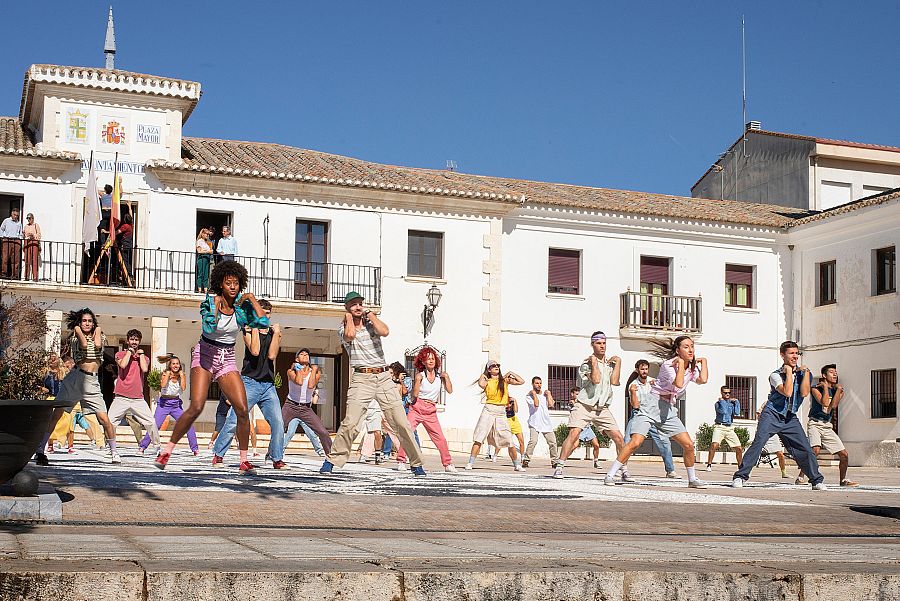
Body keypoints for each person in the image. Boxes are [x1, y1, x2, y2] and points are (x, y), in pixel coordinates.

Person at [155, 260, 268, 473]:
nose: (233, 287)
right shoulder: (209, 303)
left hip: (227, 358)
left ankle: (244, 460)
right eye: (228, 283)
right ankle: (166, 452)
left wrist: (251, 299)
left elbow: (263, 324)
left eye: (236, 283)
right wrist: (215, 309)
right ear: (220, 284)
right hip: (205, 354)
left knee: (242, 409)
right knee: (196, 406)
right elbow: (209, 326)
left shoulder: (241, 311)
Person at [320, 291, 425, 475]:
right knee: (351, 422)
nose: (358, 307)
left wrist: (370, 315)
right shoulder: (343, 328)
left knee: (401, 422)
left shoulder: (372, 325)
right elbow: (351, 335)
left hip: (383, 376)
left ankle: (416, 463)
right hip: (362, 378)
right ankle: (332, 460)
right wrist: (348, 317)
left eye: (360, 303)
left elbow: (385, 331)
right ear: (347, 308)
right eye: (353, 304)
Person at [605, 335, 708, 488]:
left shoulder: (690, 369)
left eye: (692, 346)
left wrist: (704, 362)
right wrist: (680, 363)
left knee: (688, 445)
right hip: (652, 404)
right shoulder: (668, 365)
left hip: (668, 409)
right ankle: (610, 475)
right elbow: (679, 384)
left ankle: (692, 479)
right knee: (636, 442)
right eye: (686, 347)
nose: (691, 349)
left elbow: (703, 380)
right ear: (678, 350)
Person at [731, 341, 826, 490]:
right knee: (759, 442)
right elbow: (787, 392)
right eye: (791, 353)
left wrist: (806, 373)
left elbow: (804, 393)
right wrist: (789, 372)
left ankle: (816, 480)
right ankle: (740, 477)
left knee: (805, 448)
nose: (795, 356)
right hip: (772, 413)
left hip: (790, 417)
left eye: (797, 353)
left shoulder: (803, 374)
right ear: (782, 355)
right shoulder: (775, 375)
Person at [34, 309, 118, 466]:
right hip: (75, 378)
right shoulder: (75, 337)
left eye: (90, 321)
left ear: (94, 323)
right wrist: (78, 329)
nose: (87, 323)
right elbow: (85, 345)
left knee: (104, 418)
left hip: (92, 382)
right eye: (84, 321)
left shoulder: (101, 335)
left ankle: (114, 452)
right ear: (79, 323)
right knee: (57, 414)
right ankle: (40, 450)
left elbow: (98, 345)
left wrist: (98, 330)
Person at [211, 298, 286, 469]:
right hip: (249, 382)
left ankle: (276, 458)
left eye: (267, 314)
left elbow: (272, 355)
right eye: (261, 313)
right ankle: (218, 454)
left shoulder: (275, 333)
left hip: (268, 385)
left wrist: (276, 334)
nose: (264, 316)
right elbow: (255, 350)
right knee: (234, 420)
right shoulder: (247, 330)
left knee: (278, 422)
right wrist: (255, 329)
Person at [554, 331, 627, 480]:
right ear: (592, 344)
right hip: (584, 405)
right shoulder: (586, 365)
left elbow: (614, 382)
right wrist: (594, 363)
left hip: (602, 408)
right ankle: (559, 466)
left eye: (604, 343)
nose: (602, 346)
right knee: (574, 434)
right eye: (598, 343)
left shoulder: (609, 365)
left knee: (619, 438)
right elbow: (596, 380)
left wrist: (618, 363)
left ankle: (623, 469)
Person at [396, 346, 456, 473]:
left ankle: (448, 464)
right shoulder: (420, 375)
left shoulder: (440, 376)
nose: (431, 361)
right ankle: (401, 460)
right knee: (407, 433)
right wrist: (417, 381)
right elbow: (415, 395)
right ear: (422, 361)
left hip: (431, 410)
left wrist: (447, 378)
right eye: (428, 359)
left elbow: (450, 391)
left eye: (433, 358)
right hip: (417, 407)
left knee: (440, 438)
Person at [106, 329, 160, 462]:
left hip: (138, 398)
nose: (134, 342)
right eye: (132, 339)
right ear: (128, 340)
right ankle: (111, 447)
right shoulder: (120, 354)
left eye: (136, 340)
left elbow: (145, 369)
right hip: (121, 396)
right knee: (110, 422)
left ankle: (157, 447)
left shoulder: (145, 357)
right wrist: (129, 352)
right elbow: (123, 365)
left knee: (150, 422)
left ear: (139, 341)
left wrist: (140, 355)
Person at [465, 360, 526, 471]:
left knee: (509, 439)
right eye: (493, 366)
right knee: (479, 436)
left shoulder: (505, 381)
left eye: (498, 365)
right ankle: (470, 462)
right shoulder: (487, 381)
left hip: (501, 411)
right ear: (489, 369)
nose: (496, 367)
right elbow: (481, 384)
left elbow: (521, 381)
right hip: (489, 409)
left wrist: (511, 372)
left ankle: (517, 464)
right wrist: (483, 374)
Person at [802, 365, 857, 487]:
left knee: (844, 455)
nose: (835, 375)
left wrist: (837, 390)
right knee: (815, 451)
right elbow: (825, 402)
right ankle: (802, 475)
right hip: (815, 423)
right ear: (824, 375)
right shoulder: (815, 388)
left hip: (827, 425)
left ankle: (843, 480)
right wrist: (826, 388)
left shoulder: (839, 391)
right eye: (831, 372)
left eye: (836, 373)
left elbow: (833, 405)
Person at [623, 360, 679, 479]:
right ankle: (622, 469)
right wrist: (633, 392)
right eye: (642, 369)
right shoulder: (633, 385)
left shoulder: (651, 383)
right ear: (637, 370)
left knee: (664, 442)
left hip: (653, 415)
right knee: (628, 441)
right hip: (638, 414)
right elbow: (635, 405)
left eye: (646, 369)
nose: (644, 371)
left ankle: (670, 470)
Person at [140, 356, 198, 455]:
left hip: (176, 404)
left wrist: (182, 376)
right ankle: (142, 447)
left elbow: (183, 388)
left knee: (188, 425)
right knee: (155, 425)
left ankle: (195, 449)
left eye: (177, 363)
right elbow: (162, 385)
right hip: (164, 404)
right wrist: (167, 375)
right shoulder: (165, 373)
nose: (176, 365)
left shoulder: (181, 375)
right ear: (170, 365)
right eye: (173, 363)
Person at [281, 348, 333, 458]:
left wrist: (313, 370)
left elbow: (310, 385)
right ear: (296, 359)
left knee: (322, 432)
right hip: (291, 405)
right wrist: (298, 369)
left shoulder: (315, 373)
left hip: (306, 408)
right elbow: (299, 382)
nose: (305, 356)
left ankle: (331, 457)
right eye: (302, 354)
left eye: (307, 355)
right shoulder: (291, 372)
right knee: (279, 428)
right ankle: (272, 454)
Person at [522, 376, 559, 469]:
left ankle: (554, 461)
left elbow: (551, 405)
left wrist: (549, 394)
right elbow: (536, 404)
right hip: (534, 422)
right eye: (537, 383)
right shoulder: (529, 396)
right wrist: (534, 394)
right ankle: (526, 460)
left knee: (552, 442)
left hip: (546, 422)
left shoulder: (545, 395)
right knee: (533, 441)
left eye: (540, 383)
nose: (539, 385)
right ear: (532, 384)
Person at [706, 385, 744, 470]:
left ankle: (740, 466)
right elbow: (723, 411)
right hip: (719, 426)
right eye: (725, 393)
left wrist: (737, 402)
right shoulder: (718, 404)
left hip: (729, 428)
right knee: (714, 445)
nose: (727, 394)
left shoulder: (732, 403)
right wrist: (723, 402)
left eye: (729, 393)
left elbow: (737, 412)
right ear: (721, 393)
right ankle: (709, 464)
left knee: (738, 448)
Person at [0, 207, 23, 279]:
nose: (15, 216)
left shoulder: (19, 223)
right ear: (11, 214)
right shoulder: (6, 221)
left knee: (15, 259)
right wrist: (2, 237)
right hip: (7, 240)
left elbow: (21, 233)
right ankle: (4, 273)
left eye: (17, 215)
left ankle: (14, 275)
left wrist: (19, 238)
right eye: (14, 215)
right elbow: (1, 228)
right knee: (5, 258)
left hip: (16, 241)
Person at [115, 213, 134, 285]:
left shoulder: (125, 226)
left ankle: (129, 275)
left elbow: (118, 232)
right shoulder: (131, 225)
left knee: (124, 261)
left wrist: (109, 232)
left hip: (125, 245)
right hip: (129, 245)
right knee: (127, 261)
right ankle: (127, 276)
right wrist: (129, 206)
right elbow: (131, 216)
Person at [23, 213, 41, 281]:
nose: (28, 220)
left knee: (34, 260)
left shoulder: (36, 225)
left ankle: (35, 277)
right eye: (27, 218)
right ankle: (26, 276)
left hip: (34, 242)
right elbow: (24, 235)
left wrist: (33, 235)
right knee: (27, 260)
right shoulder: (26, 226)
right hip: (27, 243)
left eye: (29, 218)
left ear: (33, 218)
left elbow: (39, 235)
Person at [195, 228, 213, 293]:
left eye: (208, 234)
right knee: (201, 274)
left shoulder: (207, 242)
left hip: (207, 258)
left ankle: (205, 289)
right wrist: (208, 251)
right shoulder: (199, 241)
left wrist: (207, 251)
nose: (207, 235)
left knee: (206, 274)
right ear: (202, 234)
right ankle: (199, 289)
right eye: (206, 234)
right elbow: (199, 251)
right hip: (202, 258)